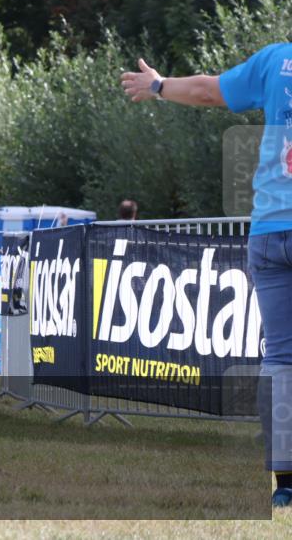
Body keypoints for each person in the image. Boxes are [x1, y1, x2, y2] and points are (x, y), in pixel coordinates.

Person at [121, 44, 292, 507]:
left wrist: (157, 86)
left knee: (280, 358)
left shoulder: (277, 59)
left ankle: (285, 483)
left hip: (270, 229)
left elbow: (206, 91)